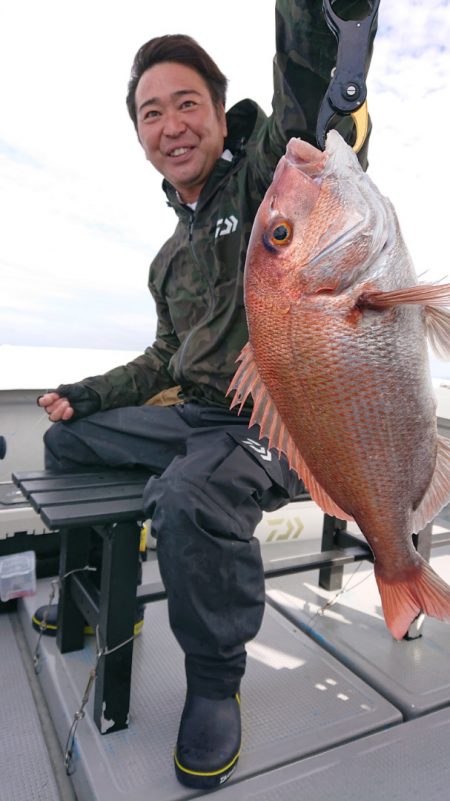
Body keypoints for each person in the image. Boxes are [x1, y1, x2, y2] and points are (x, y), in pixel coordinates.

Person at [35, 0, 376, 790]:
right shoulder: (166, 257)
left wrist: (313, 15)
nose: (172, 125)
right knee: (66, 442)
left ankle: (215, 682)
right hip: (196, 417)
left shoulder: (267, 177)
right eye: (151, 113)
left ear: (221, 113)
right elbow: (165, 356)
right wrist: (83, 395)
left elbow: (305, 92)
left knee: (190, 495)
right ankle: (95, 601)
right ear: (140, 137)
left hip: (281, 422)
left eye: (187, 102)